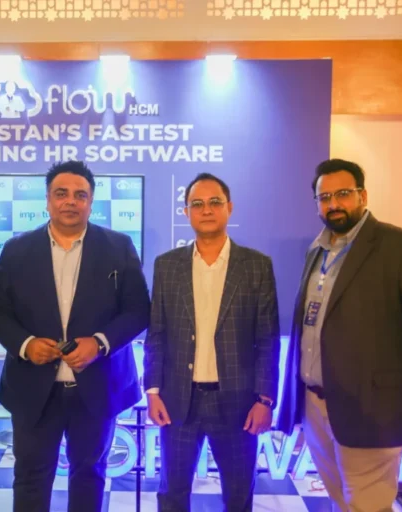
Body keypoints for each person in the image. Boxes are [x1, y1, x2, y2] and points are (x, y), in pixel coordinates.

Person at [277, 159, 402, 512]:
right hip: (316, 405)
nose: (333, 204)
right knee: (340, 499)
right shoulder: (317, 251)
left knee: (367, 504)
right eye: (324, 197)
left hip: (372, 407)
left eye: (343, 194)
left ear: (363, 195)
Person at [0, 160, 150, 512]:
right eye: (61, 193)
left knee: (90, 475)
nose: (70, 201)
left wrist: (100, 343)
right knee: (30, 477)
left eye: (80, 195)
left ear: (91, 202)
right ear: (48, 200)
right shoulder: (16, 250)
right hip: (33, 389)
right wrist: (26, 345)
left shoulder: (119, 246)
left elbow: (139, 310)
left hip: (97, 386)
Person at [144, 173, 280, 512]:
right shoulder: (167, 266)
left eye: (215, 202)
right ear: (186, 211)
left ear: (229, 208)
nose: (206, 210)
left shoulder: (256, 266)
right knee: (172, 494)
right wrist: (153, 391)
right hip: (179, 401)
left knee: (238, 495)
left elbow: (267, 338)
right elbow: (156, 333)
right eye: (198, 204)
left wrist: (265, 399)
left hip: (238, 403)